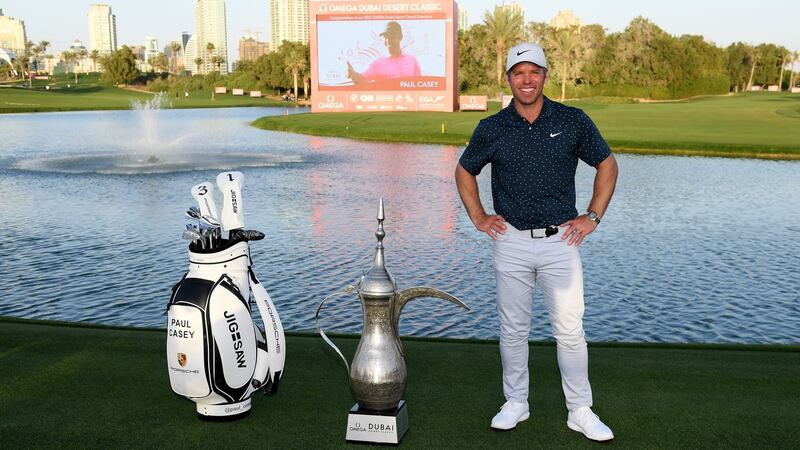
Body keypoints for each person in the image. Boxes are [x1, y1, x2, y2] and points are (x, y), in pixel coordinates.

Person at [454, 42, 619, 441]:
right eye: (518, 73)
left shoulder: (573, 119)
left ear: (546, 75)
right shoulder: (492, 127)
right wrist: (478, 216)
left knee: (570, 331)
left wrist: (592, 216)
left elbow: (607, 164)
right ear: (508, 78)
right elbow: (464, 171)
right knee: (513, 330)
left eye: (534, 72)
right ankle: (516, 403)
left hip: (561, 240)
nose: (526, 80)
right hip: (509, 240)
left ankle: (580, 410)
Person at [347, 21, 421, 84]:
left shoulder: (412, 61)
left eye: (392, 36)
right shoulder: (376, 63)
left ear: (400, 37)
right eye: (385, 36)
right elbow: (362, 79)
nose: (388, 40)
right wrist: (353, 75)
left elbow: (419, 86)